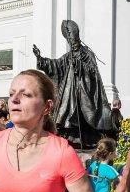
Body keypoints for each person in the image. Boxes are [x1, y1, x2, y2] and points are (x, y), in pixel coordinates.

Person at [33, 20, 115, 148]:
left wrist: (80, 66)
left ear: (78, 38)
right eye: (70, 41)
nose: (73, 43)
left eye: (74, 40)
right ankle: (70, 138)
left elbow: (93, 71)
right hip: (69, 93)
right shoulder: (68, 56)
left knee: (84, 115)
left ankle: (88, 140)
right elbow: (56, 65)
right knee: (67, 111)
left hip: (84, 92)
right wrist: (41, 59)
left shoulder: (87, 54)